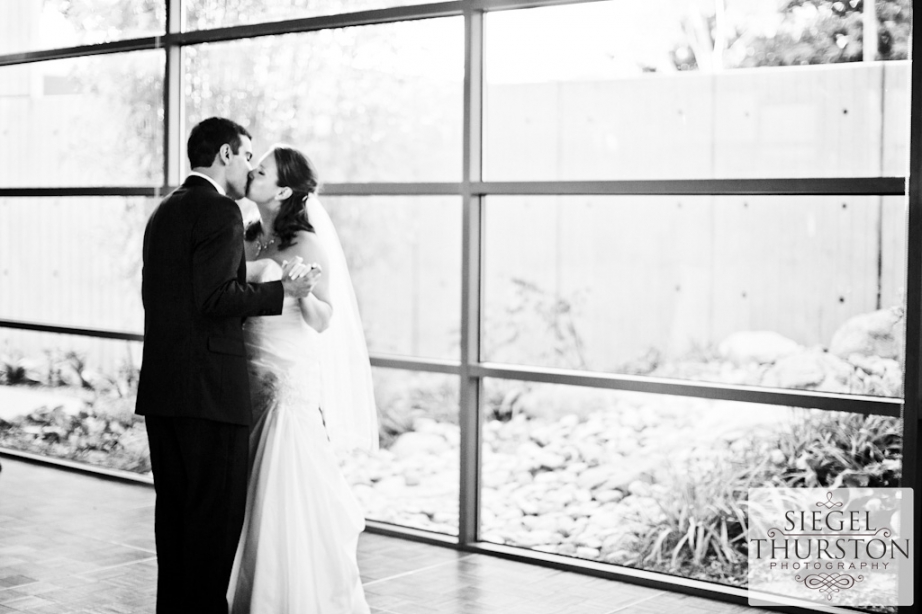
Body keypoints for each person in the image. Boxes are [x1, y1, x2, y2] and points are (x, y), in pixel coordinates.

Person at [136, 118, 318, 614]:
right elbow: (216, 298)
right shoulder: (220, 212)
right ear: (224, 155)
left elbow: (160, 297)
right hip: (210, 395)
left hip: (164, 391)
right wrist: (284, 291)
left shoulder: (164, 210)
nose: (248, 167)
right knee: (212, 529)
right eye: (245, 156)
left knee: (174, 522)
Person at [226, 145, 378, 614]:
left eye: (263, 169)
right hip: (242, 374)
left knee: (283, 488)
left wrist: (307, 294)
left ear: (284, 189)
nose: (252, 171)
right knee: (243, 491)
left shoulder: (308, 243)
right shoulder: (245, 236)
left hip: (287, 378)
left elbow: (322, 318)